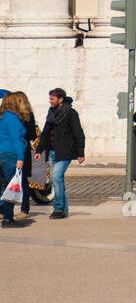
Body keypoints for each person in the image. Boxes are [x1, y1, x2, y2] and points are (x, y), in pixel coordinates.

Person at [35, 88, 85, 219]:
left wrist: (80, 152)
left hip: (65, 151)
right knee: (57, 180)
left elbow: (78, 133)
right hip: (52, 152)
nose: (50, 102)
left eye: (52, 99)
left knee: (56, 177)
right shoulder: (51, 112)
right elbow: (45, 132)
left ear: (60, 99)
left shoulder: (70, 113)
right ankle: (64, 208)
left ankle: (58, 209)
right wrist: (39, 150)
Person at [0, 94, 27, 228]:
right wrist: (21, 157)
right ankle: (7, 218)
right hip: (9, 154)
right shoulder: (12, 118)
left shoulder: (2, 117)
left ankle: (5, 214)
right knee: (11, 186)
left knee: (4, 187)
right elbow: (16, 139)